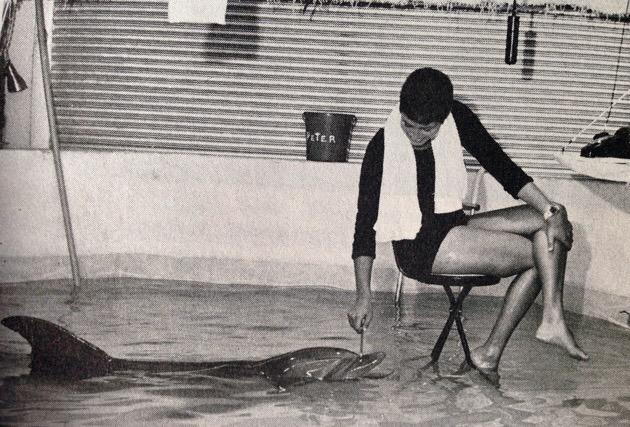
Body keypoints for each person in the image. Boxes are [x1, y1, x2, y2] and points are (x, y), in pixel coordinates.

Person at [347, 67, 588, 379]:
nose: (415, 135)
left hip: (454, 226)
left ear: (444, 118)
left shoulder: (457, 119)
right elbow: (364, 225)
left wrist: (551, 211)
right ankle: (498, 348)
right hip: (421, 248)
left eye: (427, 129)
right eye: (408, 125)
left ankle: (550, 317)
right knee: (544, 254)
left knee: (551, 217)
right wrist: (363, 294)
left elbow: (502, 167)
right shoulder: (381, 147)